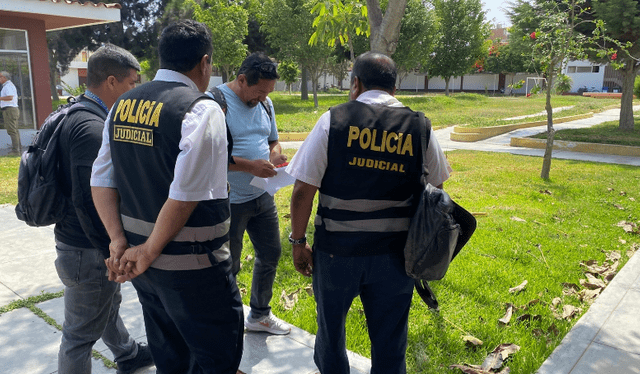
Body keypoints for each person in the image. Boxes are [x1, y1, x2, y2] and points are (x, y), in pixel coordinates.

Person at [90, 20, 243, 374]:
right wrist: (147, 250)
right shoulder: (201, 110)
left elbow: (101, 178)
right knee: (217, 359)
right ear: (204, 63)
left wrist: (118, 240)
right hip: (195, 270)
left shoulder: (122, 105)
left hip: (144, 268)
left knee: (170, 355)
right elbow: (185, 195)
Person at [286, 51, 452, 374]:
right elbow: (439, 194)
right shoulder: (419, 127)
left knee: (330, 336)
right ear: (394, 87)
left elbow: (302, 191)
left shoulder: (333, 120)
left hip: (336, 256)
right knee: (390, 344)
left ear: (355, 84)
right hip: (396, 259)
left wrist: (297, 241)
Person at [53, 44, 153, 374]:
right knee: (80, 334)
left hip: (77, 243)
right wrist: (111, 248)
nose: (135, 90)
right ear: (111, 82)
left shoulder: (74, 111)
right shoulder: (91, 128)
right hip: (87, 247)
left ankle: (126, 354)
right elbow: (87, 197)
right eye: (132, 83)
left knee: (106, 304)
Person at [216, 52, 291, 335]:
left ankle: (259, 315)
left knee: (271, 254)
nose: (263, 98)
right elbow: (210, 155)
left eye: (268, 93)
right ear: (242, 79)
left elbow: (272, 139)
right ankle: (227, 320)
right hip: (229, 201)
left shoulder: (267, 104)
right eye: (259, 92)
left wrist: (275, 155)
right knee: (230, 266)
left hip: (263, 196)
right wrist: (250, 166)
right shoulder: (216, 104)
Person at [0, 71, 21, 155]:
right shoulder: (7, 85)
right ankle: (18, 149)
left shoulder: (8, 86)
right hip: (11, 110)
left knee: (12, 131)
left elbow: (10, 97)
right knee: (14, 130)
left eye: (0, 77)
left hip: (10, 110)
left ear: (4, 78)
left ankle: (16, 151)